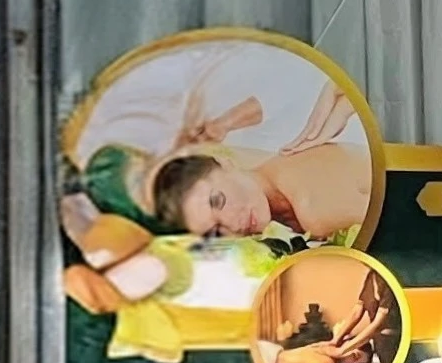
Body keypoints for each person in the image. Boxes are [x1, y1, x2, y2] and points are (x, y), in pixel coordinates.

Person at [139, 55, 372, 241]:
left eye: (219, 201)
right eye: (216, 231)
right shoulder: (283, 200)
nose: (233, 224)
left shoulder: (312, 210)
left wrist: (224, 123)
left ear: (226, 164)